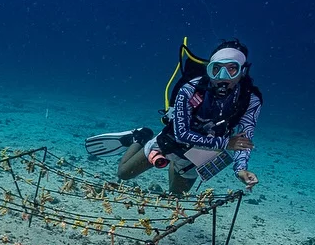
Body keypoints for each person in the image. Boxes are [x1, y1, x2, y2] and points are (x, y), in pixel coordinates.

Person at [87, 39, 262, 194]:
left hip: (203, 151)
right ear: (209, 69)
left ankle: (176, 165)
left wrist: (241, 169)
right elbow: (181, 134)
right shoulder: (190, 89)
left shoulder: (250, 99)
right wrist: (225, 143)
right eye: (216, 69)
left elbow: (244, 138)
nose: (223, 77)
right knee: (124, 174)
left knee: (177, 196)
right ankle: (139, 137)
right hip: (173, 141)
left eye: (232, 69)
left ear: (243, 71)